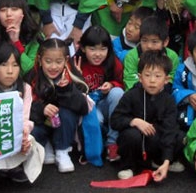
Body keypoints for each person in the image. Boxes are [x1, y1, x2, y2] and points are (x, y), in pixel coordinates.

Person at [110, 50, 183, 181]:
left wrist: (167, 160)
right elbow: (115, 120)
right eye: (147, 75)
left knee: (179, 136)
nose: (152, 81)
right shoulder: (131, 95)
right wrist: (134, 121)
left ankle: (160, 162)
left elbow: (169, 130)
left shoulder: (169, 100)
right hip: (136, 144)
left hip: (156, 142)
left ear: (167, 79)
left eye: (157, 76)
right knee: (131, 135)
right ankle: (128, 166)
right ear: (140, 77)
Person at [27, 37, 90, 173]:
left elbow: (83, 107)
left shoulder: (72, 76)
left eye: (58, 62)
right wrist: (42, 109)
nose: (53, 67)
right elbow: (23, 107)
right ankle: (45, 144)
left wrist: (66, 90)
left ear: (66, 60)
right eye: (48, 61)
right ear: (39, 59)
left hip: (64, 127)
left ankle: (62, 150)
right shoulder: (32, 77)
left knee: (66, 112)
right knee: (31, 129)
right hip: (42, 123)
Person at [0, 42, 43, 184]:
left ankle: (12, 167)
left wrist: (22, 133)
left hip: (12, 133)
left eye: (15, 65)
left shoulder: (24, 88)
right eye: (4, 65)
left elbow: (24, 118)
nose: (10, 71)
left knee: (28, 141)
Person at [73, 25, 125, 164]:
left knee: (117, 92)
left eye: (103, 49)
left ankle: (112, 143)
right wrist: (77, 78)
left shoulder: (112, 61)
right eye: (92, 49)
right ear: (83, 48)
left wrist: (112, 84)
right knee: (97, 120)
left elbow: (123, 83)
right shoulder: (76, 63)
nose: (98, 54)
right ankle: (98, 143)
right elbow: (70, 92)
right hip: (88, 107)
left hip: (105, 102)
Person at [0, 0, 40, 74]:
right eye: (3, 10)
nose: (8, 14)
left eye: (14, 9)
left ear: (24, 13)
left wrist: (16, 42)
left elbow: (28, 69)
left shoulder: (35, 37)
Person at [122, 16, 180, 90]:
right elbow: (130, 81)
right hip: (137, 96)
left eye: (154, 42)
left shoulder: (172, 57)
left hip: (163, 95)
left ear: (165, 42)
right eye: (144, 40)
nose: (149, 46)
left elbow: (173, 80)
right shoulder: (131, 56)